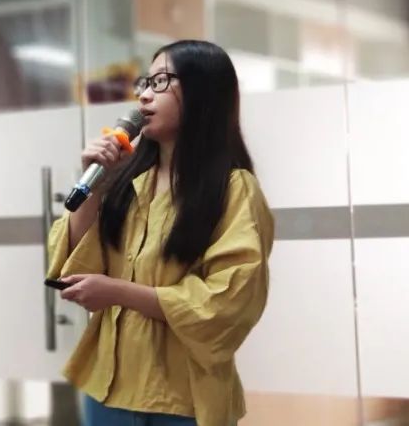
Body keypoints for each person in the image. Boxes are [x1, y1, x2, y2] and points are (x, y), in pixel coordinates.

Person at [45, 40, 274, 426]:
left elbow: (228, 302)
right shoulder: (127, 181)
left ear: (203, 92)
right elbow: (76, 265)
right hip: (107, 390)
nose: (145, 96)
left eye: (161, 82)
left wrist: (120, 292)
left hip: (182, 400)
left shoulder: (234, 189)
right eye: (145, 83)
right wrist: (95, 185)